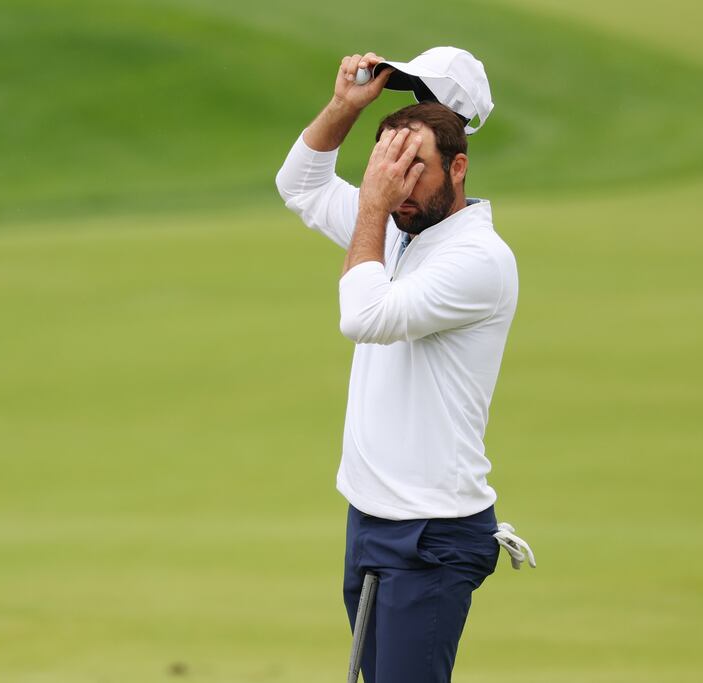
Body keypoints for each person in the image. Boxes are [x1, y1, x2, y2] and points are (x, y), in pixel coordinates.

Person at [275, 49, 519, 682]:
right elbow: (300, 186)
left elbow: (364, 316)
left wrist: (374, 206)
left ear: (458, 166)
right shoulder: (399, 230)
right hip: (371, 519)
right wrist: (342, 109)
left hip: (431, 534)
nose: (398, 185)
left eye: (415, 169)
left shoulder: (478, 259)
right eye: (387, 168)